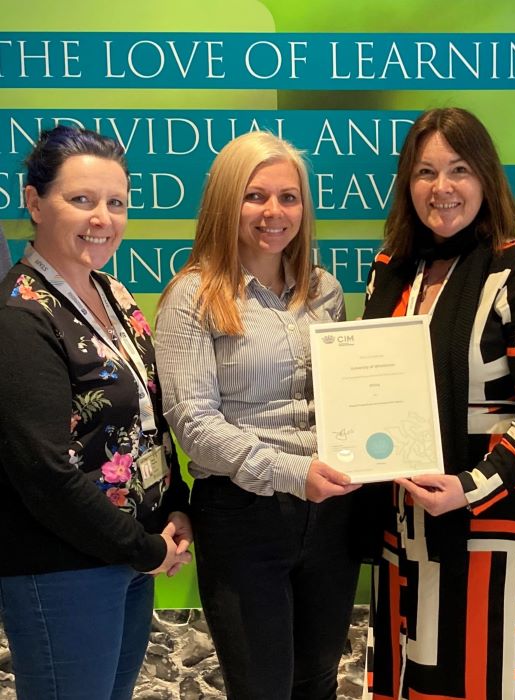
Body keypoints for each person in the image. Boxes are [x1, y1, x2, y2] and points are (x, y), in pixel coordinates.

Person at [360, 107, 515, 699]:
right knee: (416, 676)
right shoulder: (393, 273)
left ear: (486, 177)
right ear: (408, 183)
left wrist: (473, 484)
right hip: (407, 529)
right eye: (426, 172)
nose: (443, 188)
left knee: (487, 679)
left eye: (459, 169)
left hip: (495, 530)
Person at [155, 130, 361, 700]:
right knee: (262, 689)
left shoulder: (325, 291)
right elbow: (194, 425)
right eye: (255, 196)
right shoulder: (193, 297)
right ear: (226, 202)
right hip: (244, 519)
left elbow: (343, 398)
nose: (275, 212)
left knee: (318, 682)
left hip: (331, 520)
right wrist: (294, 474)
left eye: (288, 197)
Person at [0, 126, 192, 700]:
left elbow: (147, 420)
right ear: (35, 202)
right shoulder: (19, 315)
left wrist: (176, 505)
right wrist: (146, 548)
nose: (102, 218)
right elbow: (43, 471)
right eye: (80, 200)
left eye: (116, 203)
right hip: (62, 569)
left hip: (128, 555)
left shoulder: (114, 293)